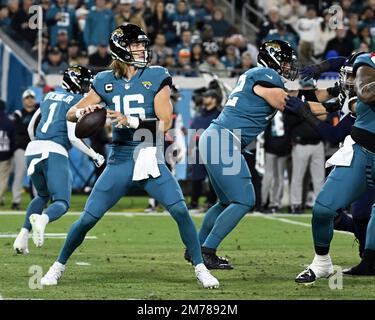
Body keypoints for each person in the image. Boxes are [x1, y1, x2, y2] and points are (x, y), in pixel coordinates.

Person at [40, 24, 219, 289]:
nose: (141, 50)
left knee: (180, 210)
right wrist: (83, 111)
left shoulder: (157, 75)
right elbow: (70, 114)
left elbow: (166, 123)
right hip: (120, 159)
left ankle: (200, 266)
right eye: (135, 45)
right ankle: (58, 266)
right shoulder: (103, 80)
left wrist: (130, 121)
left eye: (142, 45)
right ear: (120, 49)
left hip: (148, 155)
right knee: (88, 218)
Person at [196, 40, 298, 269]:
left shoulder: (257, 75)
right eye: (284, 60)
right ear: (272, 59)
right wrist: (326, 103)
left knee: (225, 202)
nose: (287, 65)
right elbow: (288, 102)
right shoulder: (264, 74)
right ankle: (207, 250)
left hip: (216, 138)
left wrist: (329, 95)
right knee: (244, 200)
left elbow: (292, 97)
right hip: (224, 140)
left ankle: (197, 247)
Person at [294, 52, 375, 283]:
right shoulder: (366, 64)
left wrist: (304, 107)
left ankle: (369, 260)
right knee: (323, 209)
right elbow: (365, 92)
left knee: (368, 215)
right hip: (362, 150)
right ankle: (322, 263)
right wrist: (303, 103)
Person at [13, 65, 105, 254]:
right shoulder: (77, 100)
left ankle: (21, 238)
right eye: (85, 82)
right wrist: (95, 155)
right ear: (76, 82)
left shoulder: (48, 96)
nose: (87, 87)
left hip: (33, 148)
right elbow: (73, 137)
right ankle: (42, 219)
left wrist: (39, 144)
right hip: (54, 150)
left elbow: (32, 127)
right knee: (62, 202)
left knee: (42, 196)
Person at [10, 89, 38, 210]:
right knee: (19, 176)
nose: (30, 99)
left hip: (35, 149)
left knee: (37, 176)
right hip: (21, 149)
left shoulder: (38, 112)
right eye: (27, 98)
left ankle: (38, 201)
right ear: (23, 100)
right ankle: (16, 201)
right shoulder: (18, 113)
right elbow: (19, 130)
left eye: (32, 97)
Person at [0, 100, 15, 207]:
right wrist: (10, 152)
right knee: (3, 179)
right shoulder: (9, 122)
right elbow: (13, 140)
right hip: (5, 154)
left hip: (5, 154)